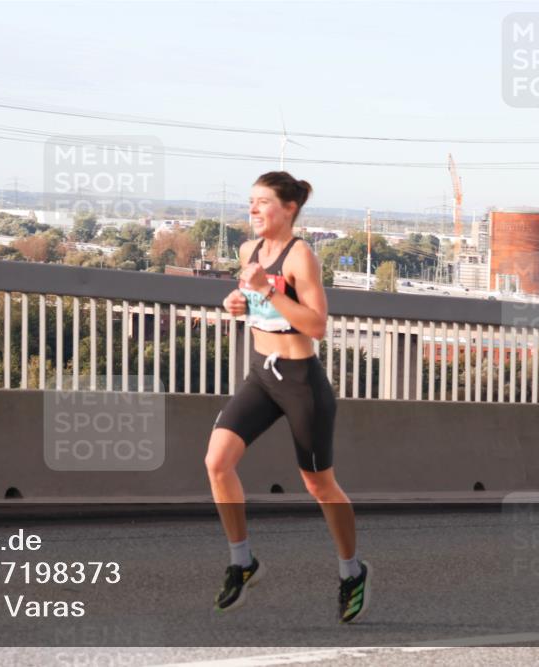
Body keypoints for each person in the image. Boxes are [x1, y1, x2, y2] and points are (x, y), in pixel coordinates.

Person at [206, 171, 371, 623]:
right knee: (217, 462)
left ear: (289, 208)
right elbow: (250, 298)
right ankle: (242, 562)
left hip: (300, 381)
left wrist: (267, 290)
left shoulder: (303, 259)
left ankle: (351, 571)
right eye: (250, 202)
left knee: (319, 485)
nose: (253, 209)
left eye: (262, 202)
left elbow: (317, 325)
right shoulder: (248, 251)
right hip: (261, 374)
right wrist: (236, 302)